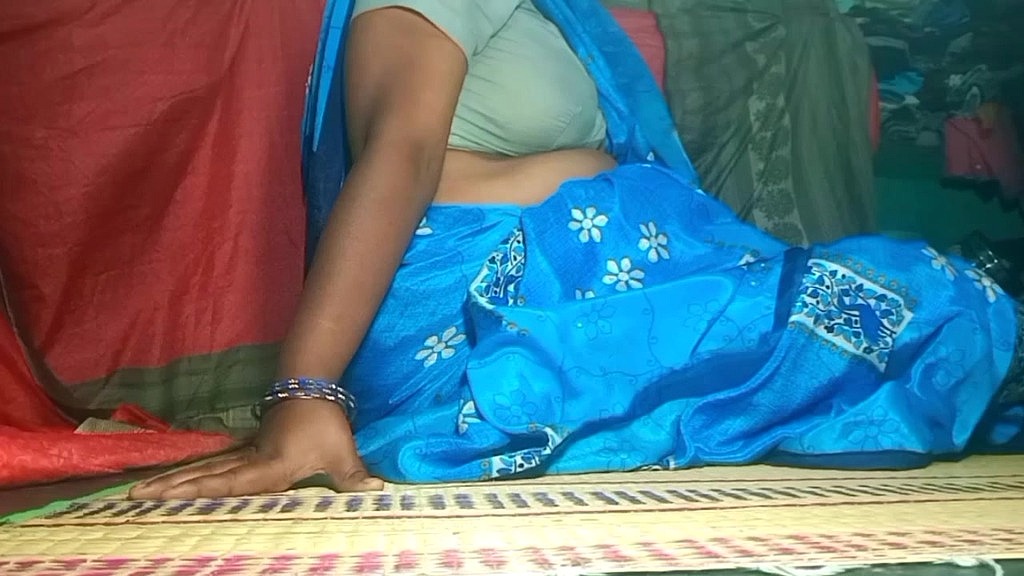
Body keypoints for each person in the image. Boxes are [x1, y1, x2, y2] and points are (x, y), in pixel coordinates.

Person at [129, 0, 1023, 500]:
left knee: (882, 317)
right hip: (494, 298)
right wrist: (306, 390)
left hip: (585, 274)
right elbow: (400, 151)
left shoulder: (554, 16)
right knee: (913, 301)